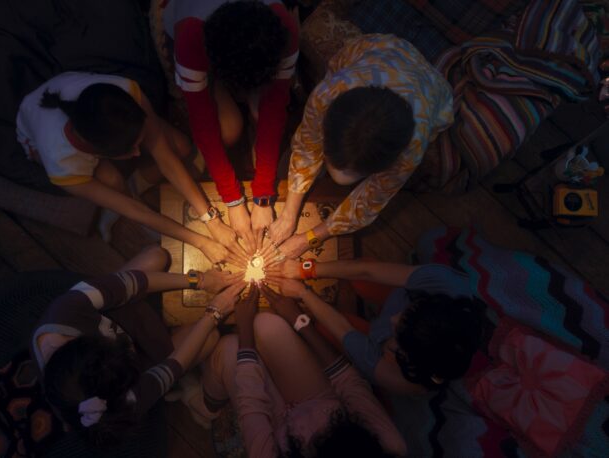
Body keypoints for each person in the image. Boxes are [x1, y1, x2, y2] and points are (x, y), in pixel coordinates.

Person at [16, 71, 244, 265]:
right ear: (98, 152)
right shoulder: (63, 165)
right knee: (113, 181)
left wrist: (211, 219)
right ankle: (125, 193)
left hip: (88, 110)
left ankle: (136, 179)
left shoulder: (125, 92)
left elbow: (165, 158)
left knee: (182, 148)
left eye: (138, 143)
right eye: (131, 150)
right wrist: (201, 241)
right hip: (36, 137)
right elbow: (136, 211)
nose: (138, 153)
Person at [31, 244, 246, 447]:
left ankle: (127, 301)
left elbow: (134, 282)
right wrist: (214, 313)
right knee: (210, 336)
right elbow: (171, 368)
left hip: (118, 310)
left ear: (91, 341)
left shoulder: (67, 308)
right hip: (146, 355)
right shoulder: (115, 406)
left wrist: (199, 280)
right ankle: (185, 385)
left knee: (156, 256)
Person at [266, 35, 454, 259]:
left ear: (383, 166)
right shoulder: (328, 93)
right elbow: (306, 147)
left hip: (428, 85)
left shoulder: (412, 146)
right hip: (384, 48)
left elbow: (367, 204)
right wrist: (289, 213)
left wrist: (310, 238)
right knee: (307, 162)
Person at [200, 282, 407, 457]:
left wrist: (245, 336)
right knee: (267, 324)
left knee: (229, 349)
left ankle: (208, 406)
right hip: (321, 401)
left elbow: (251, 408)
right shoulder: (388, 445)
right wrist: (299, 320)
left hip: (277, 429)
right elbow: (349, 383)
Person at [159, 0, 300, 252]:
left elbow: (275, 108)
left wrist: (263, 196)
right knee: (229, 129)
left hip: (239, 55)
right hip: (186, 31)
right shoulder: (191, 37)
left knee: (261, 113)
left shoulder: (283, 29)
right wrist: (233, 201)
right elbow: (203, 124)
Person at [265, 258, 485, 395]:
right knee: (362, 274)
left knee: (325, 328)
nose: (393, 320)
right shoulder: (446, 285)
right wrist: (306, 269)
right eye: (408, 312)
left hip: (374, 339)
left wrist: (303, 293)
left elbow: (343, 330)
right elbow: (366, 270)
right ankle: (352, 296)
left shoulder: (398, 375)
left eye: (399, 333)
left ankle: (348, 303)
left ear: (404, 355)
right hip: (397, 296)